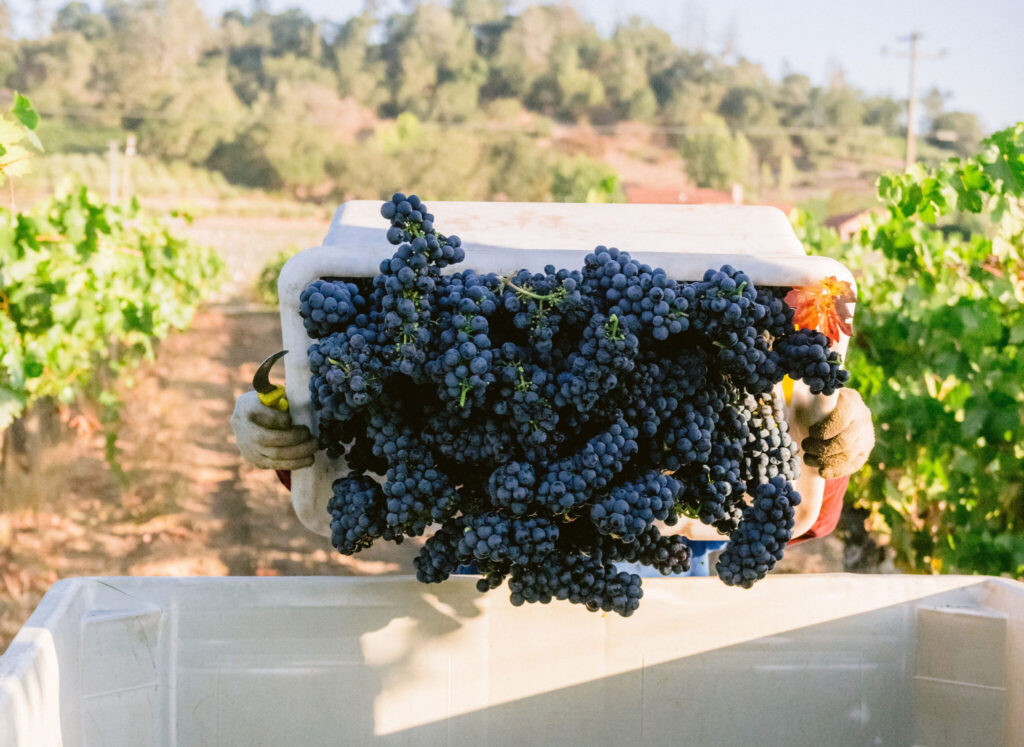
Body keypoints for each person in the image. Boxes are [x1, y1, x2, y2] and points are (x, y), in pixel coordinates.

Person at [231, 384, 874, 575]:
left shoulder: (721, 388)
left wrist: (830, 457)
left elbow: (798, 520)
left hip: (667, 573)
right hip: (488, 555)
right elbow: (371, 468)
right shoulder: (471, 370)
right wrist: (289, 446)